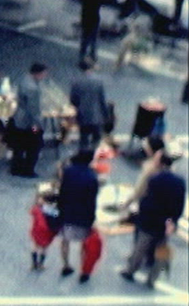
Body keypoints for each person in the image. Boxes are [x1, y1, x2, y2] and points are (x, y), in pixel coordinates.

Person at [120, 154, 186, 288]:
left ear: (161, 164)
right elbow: (179, 204)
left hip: (150, 219)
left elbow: (147, 199)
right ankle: (152, 279)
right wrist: (173, 221)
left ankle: (130, 270)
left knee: (141, 247)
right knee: (161, 250)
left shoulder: (154, 179)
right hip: (167, 222)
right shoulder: (180, 182)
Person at [57, 149, 99, 282]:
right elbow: (92, 200)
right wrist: (92, 217)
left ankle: (66, 265)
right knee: (84, 243)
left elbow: (62, 191)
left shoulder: (69, 171)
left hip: (68, 211)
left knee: (65, 240)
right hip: (84, 214)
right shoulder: (92, 176)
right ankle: (83, 269)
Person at [8, 63, 48, 177]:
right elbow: (34, 110)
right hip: (29, 123)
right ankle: (28, 170)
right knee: (34, 147)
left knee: (19, 146)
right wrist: (37, 125)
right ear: (38, 73)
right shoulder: (33, 89)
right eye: (43, 74)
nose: (44, 76)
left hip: (19, 119)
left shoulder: (24, 80)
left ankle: (15, 168)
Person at [69, 59, 111, 149]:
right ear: (91, 68)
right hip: (97, 116)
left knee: (83, 138)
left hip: (83, 115)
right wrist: (106, 115)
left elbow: (73, 100)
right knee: (96, 138)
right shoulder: (99, 81)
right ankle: (92, 156)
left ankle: (83, 156)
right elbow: (102, 100)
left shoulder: (76, 82)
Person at [29, 185, 61, 271]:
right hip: (48, 232)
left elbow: (32, 212)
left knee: (35, 246)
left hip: (37, 231)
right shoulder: (55, 211)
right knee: (44, 248)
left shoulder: (38, 209)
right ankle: (41, 264)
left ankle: (34, 264)